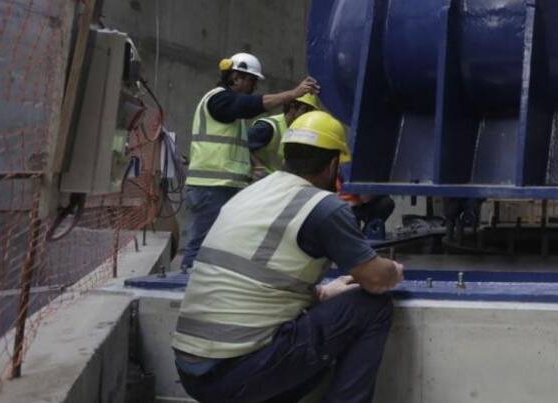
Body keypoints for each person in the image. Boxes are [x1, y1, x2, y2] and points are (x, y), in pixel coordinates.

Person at [173, 111, 404, 403]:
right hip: (236, 373)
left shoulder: (251, 193)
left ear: (286, 155)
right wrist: (392, 270)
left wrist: (321, 293)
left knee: (308, 344)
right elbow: (375, 278)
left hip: (192, 372)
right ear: (334, 164)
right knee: (372, 307)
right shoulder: (323, 207)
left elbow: (257, 277)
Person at [182, 52, 319, 271]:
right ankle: (186, 283)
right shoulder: (219, 99)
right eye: (251, 80)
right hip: (210, 188)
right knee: (202, 245)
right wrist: (294, 93)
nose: (254, 86)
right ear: (235, 77)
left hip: (223, 187)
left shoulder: (229, 107)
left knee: (218, 244)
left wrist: (253, 168)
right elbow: (251, 105)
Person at [251, 92, 322, 178]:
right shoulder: (268, 127)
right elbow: (244, 148)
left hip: (277, 182)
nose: (307, 116)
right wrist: (258, 166)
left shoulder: (300, 132)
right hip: (259, 182)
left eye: (310, 112)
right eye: (305, 110)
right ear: (292, 107)